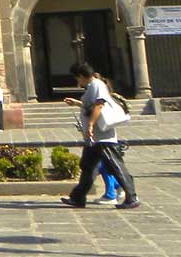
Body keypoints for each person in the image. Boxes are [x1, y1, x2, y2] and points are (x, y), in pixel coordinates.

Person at [60, 62, 139, 209]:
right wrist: (77, 103)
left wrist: (90, 124)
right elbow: (90, 105)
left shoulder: (96, 85)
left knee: (115, 165)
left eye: (77, 78)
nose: (78, 82)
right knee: (88, 167)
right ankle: (77, 197)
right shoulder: (91, 87)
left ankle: (132, 197)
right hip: (94, 138)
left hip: (103, 137)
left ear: (82, 76)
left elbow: (99, 105)